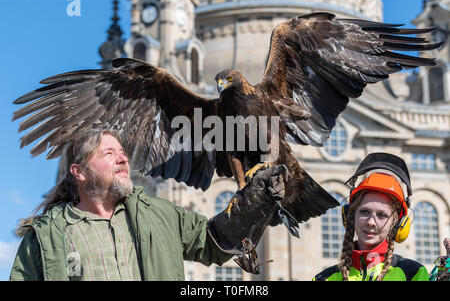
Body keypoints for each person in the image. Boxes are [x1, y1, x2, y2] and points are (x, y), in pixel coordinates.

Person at [9, 129, 288, 281]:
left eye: (123, 153)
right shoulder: (46, 237)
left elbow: (213, 242)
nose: (123, 159)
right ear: (78, 172)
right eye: (108, 153)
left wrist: (253, 203)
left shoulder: (159, 215)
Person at [313, 152, 429, 281]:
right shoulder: (324, 278)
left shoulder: (413, 274)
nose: (371, 222)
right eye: (364, 212)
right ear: (351, 216)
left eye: (382, 215)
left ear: (396, 224)